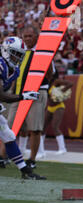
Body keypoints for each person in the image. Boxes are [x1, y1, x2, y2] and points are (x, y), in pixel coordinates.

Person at [8, 26, 53, 169]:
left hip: (37, 92)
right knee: (8, 128)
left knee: (35, 128)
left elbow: (50, 74)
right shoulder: (19, 53)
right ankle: (3, 156)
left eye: (30, 36)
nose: (27, 39)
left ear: (36, 37)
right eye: (25, 36)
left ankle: (32, 159)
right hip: (19, 93)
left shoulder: (42, 52)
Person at [0, 36, 45, 179]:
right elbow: (1, 95)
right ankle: (25, 171)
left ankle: (25, 171)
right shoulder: (1, 65)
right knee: (8, 134)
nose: (18, 58)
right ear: (6, 50)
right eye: (16, 54)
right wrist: (23, 96)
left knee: (8, 135)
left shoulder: (11, 69)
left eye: (20, 55)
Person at [41, 76, 73, 155]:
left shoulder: (56, 81)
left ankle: (63, 148)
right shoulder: (45, 83)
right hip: (50, 107)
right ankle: (40, 148)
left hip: (58, 107)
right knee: (43, 127)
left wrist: (63, 90)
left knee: (55, 126)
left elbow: (71, 83)